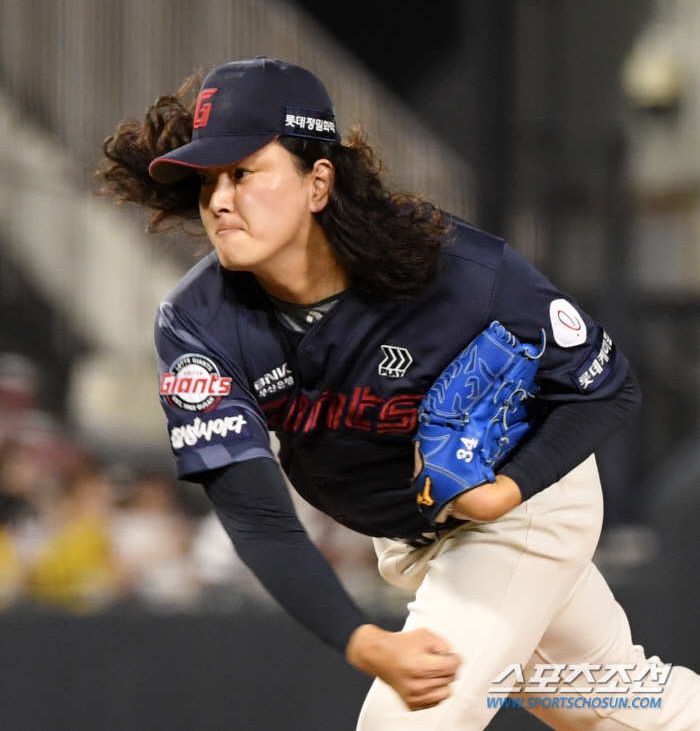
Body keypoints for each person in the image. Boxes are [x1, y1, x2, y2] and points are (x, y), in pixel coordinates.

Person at [98, 57, 700, 730]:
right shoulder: (198, 324)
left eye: (243, 173)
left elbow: (606, 384)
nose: (219, 200)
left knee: (407, 722)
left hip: (521, 506)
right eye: (207, 180)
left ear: (317, 181)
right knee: (623, 707)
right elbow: (257, 515)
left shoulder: (451, 269)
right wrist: (361, 637)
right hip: (412, 540)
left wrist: (506, 491)